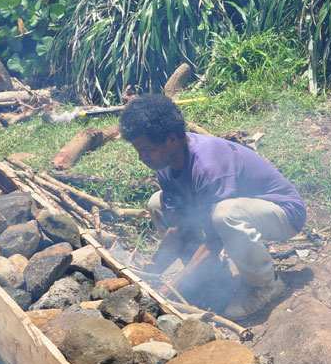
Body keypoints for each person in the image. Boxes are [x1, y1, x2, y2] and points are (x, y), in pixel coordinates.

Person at [118, 94, 306, 319]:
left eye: (147, 149)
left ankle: (265, 285)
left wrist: (172, 288)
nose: (142, 157)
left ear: (171, 139)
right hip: (238, 210)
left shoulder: (208, 166)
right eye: (139, 150)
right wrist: (154, 271)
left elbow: (214, 240)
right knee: (156, 203)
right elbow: (179, 226)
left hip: (283, 214)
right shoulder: (165, 162)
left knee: (224, 216)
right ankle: (210, 274)